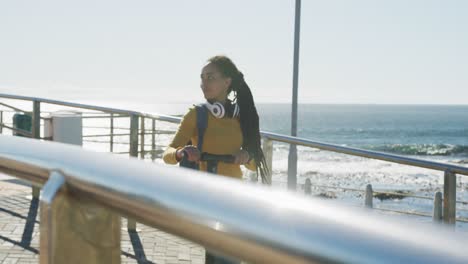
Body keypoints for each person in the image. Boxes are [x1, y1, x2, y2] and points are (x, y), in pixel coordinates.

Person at [162, 55, 270, 264]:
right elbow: (168, 153)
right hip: (205, 197)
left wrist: (246, 155)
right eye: (202, 78)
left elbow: (255, 164)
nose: (204, 83)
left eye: (210, 77)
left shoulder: (241, 116)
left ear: (227, 82)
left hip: (235, 199)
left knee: (226, 257)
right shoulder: (196, 114)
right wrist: (181, 152)